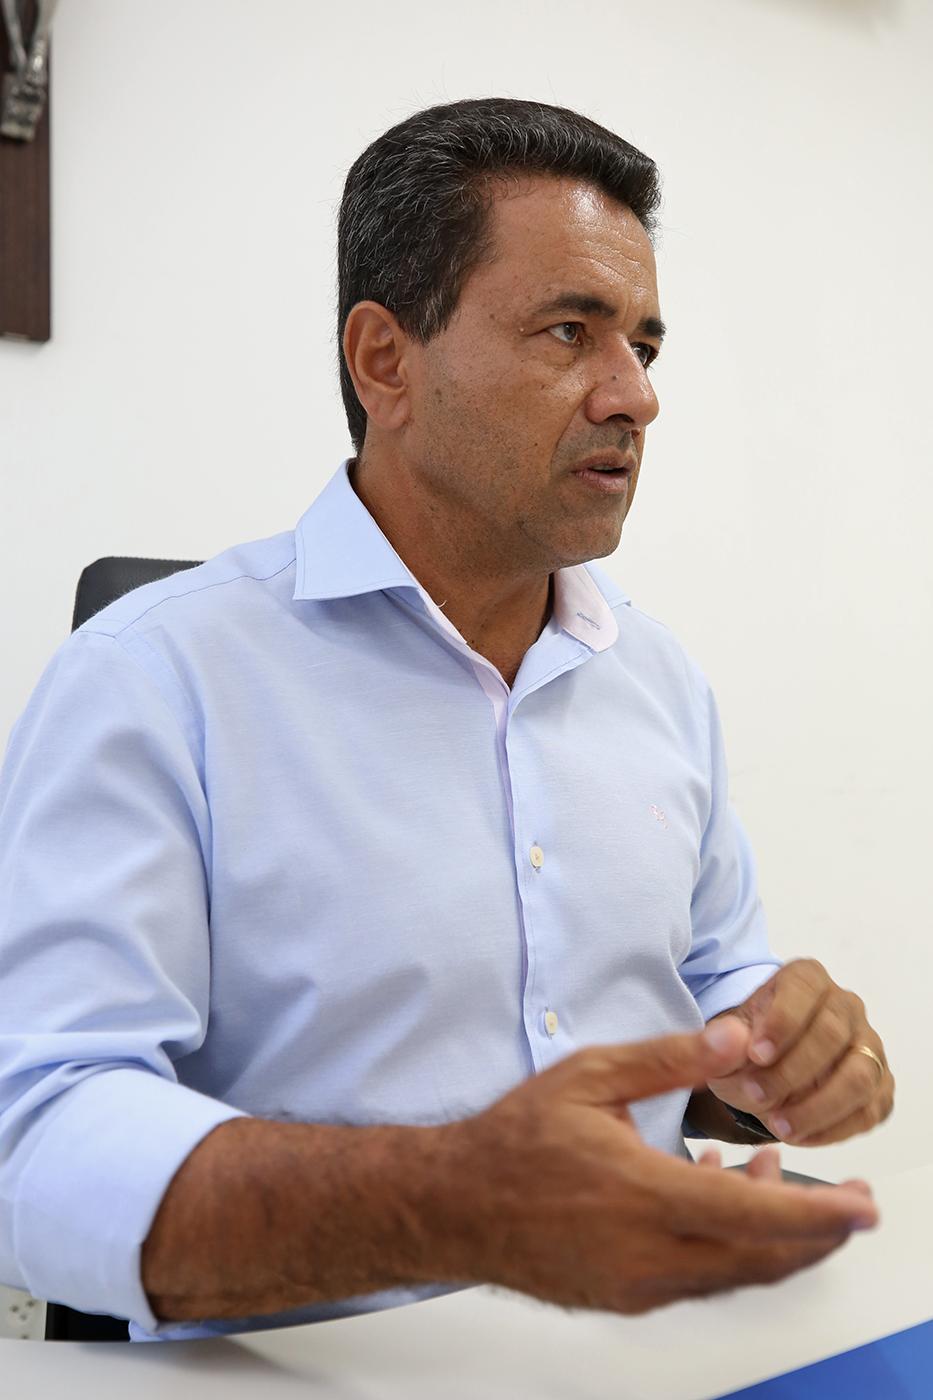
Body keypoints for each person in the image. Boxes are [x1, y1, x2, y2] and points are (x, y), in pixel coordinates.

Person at [0, 97, 893, 1344]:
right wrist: (447, 1204)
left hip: (649, 1356)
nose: (636, 394)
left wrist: (777, 1051)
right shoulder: (152, 680)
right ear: (386, 361)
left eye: (644, 342)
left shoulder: (658, 679)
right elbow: (36, 1138)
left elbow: (711, 975)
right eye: (571, 331)